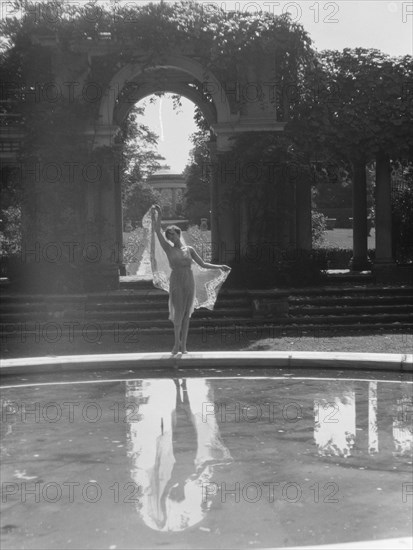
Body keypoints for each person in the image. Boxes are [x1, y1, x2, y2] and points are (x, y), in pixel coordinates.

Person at [151, 204, 230, 354]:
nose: (170, 237)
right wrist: (159, 216)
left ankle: (184, 346)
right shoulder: (168, 248)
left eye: (173, 234)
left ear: (179, 234)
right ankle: (176, 344)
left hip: (189, 279)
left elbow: (203, 264)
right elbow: (156, 231)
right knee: (178, 312)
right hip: (176, 280)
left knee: (187, 313)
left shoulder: (189, 250)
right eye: (169, 235)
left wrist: (220, 266)